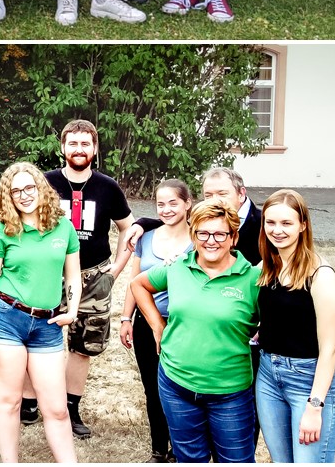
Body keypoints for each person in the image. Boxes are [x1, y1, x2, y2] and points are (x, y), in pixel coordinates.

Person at [130, 199, 260, 463]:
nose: (211, 240)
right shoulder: (177, 267)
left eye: (220, 233)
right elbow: (139, 285)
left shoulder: (252, 279)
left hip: (230, 393)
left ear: (233, 237)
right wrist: (157, 325)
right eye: (203, 233)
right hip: (176, 386)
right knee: (189, 458)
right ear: (194, 236)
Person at [31, 119, 133, 439]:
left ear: (94, 148)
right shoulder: (44, 183)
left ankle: (71, 409)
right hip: (49, 275)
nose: (79, 149)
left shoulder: (107, 187)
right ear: (62, 147)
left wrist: (114, 270)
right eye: (72, 143)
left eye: (85, 144)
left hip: (92, 279)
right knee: (34, 339)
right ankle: (28, 404)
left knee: (83, 346)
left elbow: (127, 227)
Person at [0, 162, 79, 463]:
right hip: (7, 319)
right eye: (16, 190)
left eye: (29, 188)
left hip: (48, 324)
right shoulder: (3, 231)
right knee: (10, 401)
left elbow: (72, 275)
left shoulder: (64, 226)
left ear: (41, 188)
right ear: (8, 196)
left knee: (57, 409)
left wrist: (71, 309)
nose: (23, 195)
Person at [256, 189, 335, 463]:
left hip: (309, 381)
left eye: (286, 223)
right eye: (270, 223)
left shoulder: (321, 275)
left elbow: (331, 349)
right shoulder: (268, 267)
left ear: (303, 225)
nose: (277, 230)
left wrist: (315, 406)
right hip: (269, 377)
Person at [117, 179, 193, 462]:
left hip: (184, 324)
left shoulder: (198, 238)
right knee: (154, 388)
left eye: (173, 202)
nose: (167, 209)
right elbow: (134, 280)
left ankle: (182, 447)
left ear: (187, 203)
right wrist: (126, 317)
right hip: (147, 323)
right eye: (161, 204)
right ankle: (159, 449)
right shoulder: (146, 237)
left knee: (182, 388)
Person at [126, 166, 263, 265]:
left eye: (222, 194)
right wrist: (143, 223)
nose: (215, 200)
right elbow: (183, 224)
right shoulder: (206, 218)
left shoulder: (265, 223)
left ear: (241, 194)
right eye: (208, 195)